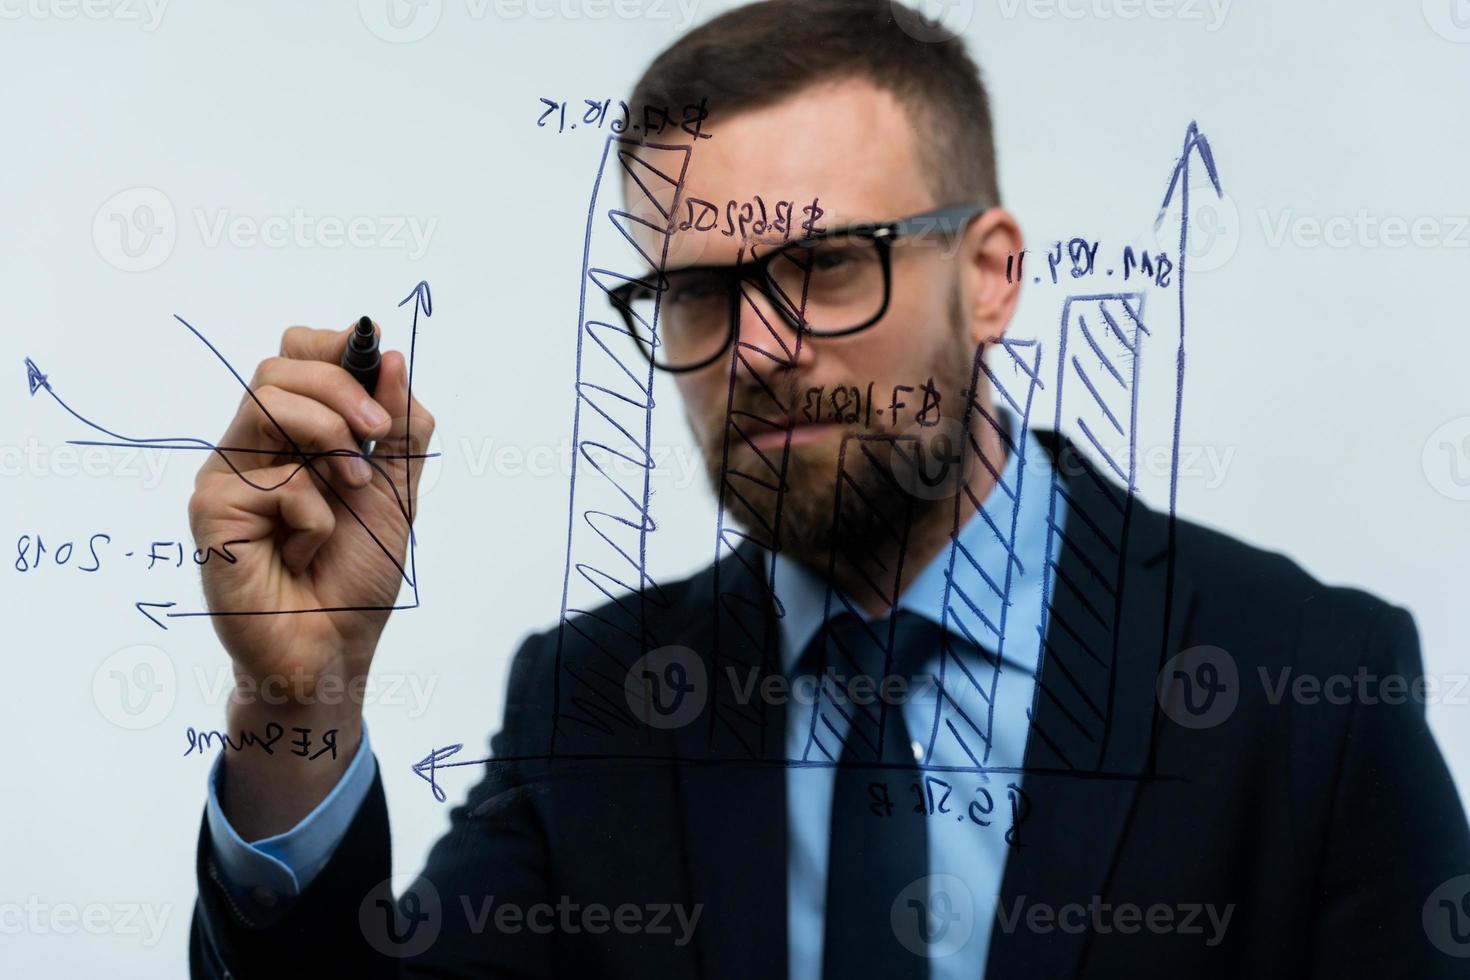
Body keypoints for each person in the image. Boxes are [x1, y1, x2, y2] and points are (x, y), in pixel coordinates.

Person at [186, 1, 1470, 976]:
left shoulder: (1305, 685)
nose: (756, 348)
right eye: (696, 290)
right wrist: (295, 702)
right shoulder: (598, 703)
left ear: (991, 276)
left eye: (826, 265)